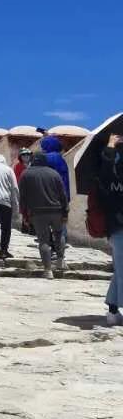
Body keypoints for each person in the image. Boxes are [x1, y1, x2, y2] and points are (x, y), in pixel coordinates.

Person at [19, 150, 68, 277]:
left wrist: (24, 214)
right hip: (56, 210)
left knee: (43, 241)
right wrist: (65, 211)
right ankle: (60, 260)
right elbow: (63, 195)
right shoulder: (54, 174)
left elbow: (22, 197)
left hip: (38, 213)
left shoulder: (25, 174)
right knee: (59, 234)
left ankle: (48, 270)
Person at [94, 134, 123, 326]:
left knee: (120, 270)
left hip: (115, 228)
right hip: (118, 227)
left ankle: (113, 311)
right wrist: (111, 146)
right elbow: (106, 164)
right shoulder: (108, 176)